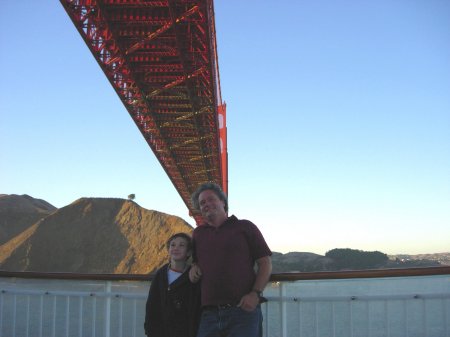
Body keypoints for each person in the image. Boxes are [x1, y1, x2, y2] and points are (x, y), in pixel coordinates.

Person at [189, 182, 272, 337]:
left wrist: (255, 294)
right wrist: (194, 266)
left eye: (211, 199)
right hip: (209, 314)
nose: (207, 204)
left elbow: (265, 263)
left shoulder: (245, 227)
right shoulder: (198, 234)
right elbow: (196, 261)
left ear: (223, 202)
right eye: (202, 203)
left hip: (243, 311)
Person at [144, 232, 201, 337]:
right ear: (168, 250)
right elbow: (152, 304)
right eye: (173, 245)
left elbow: (196, 307)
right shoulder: (160, 274)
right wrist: (150, 330)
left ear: (189, 252)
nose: (176, 248)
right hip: (162, 330)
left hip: (185, 331)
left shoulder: (192, 276)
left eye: (181, 245)